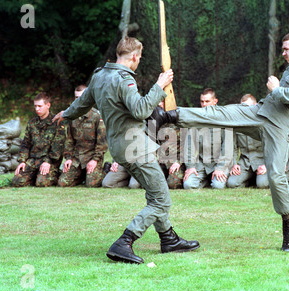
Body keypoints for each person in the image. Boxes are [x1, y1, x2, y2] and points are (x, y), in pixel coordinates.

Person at [152, 31, 289, 251]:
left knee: (275, 176)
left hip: (280, 127)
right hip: (260, 112)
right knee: (221, 114)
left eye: (286, 49)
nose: (283, 53)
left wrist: (276, 89)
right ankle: (170, 115)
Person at [52, 36, 199, 264]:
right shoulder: (124, 80)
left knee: (154, 191)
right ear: (134, 56)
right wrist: (159, 86)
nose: (138, 62)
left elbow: (83, 103)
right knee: (161, 199)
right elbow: (140, 111)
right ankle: (125, 241)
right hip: (136, 148)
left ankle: (168, 238)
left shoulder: (99, 75)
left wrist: (66, 113)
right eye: (139, 58)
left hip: (119, 148)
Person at [58, 85, 108, 187]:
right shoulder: (72, 115)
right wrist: (68, 158)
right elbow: (69, 140)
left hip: (92, 157)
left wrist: (95, 160)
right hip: (77, 159)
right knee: (62, 183)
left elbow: (102, 143)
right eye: (76, 97)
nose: (79, 99)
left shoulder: (97, 116)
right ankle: (81, 176)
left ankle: (105, 170)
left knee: (92, 184)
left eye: (81, 96)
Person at [183, 89, 233, 189]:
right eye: (202, 101)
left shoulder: (225, 118)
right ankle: (206, 180)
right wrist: (191, 167)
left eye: (207, 101)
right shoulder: (195, 119)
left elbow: (227, 148)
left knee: (218, 186)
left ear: (215, 101)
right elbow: (189, 146)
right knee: (188, 185)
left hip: (220, 162)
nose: (204, 104)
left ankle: (215, 179)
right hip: (202, 163)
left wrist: (220, 168)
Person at [12, 92, 66, 187]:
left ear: (48, 105)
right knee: (17, 181)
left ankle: (55, 174)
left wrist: (48, 161)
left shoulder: (57, 122)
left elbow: (58, 147)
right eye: (35, 106)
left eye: (40, 106)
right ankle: (34, 176)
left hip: (49, 161)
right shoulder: (32, 123)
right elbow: (25, 144)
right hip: (33, 160)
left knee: (42, 183)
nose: (37, 109)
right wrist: (22, 161)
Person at [227, 95, 269, 189]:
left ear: (256, 105)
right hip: (245, 163)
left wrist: (267, 165)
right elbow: (233, 147)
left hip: (262, 163)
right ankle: (250, 179)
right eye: (242, 107)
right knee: (232, 183)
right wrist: (234, 164)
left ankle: (258, 179)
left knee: (262, 184)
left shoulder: (264, 123)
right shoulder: (237, 125)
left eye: (248, 107)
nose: (245, 110)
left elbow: (273, 147)